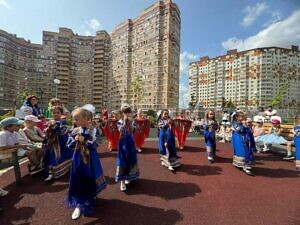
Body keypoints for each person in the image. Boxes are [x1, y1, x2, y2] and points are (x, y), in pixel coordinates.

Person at [66, 107, 106, 220]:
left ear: (87, 119)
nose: (74, 121)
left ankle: (91, 195)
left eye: (76, 119)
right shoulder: (74, 131)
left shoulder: (93, 130)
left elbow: (97, 143)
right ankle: (79, 203)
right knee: (78, 177)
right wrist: (75, 141)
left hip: (91, 159)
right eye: (74, 119)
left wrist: (85, 141)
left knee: (91, 176)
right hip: (78, 158)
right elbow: (69, 144)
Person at [43, 106, 73, 181]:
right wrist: (48, 129)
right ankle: (51, 173)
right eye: (54, 113)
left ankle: (65, 170)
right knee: (50, 157)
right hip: (52, 143)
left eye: (58, 112)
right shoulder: (49, 122)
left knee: (62, 155)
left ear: (61, 113)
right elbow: (46, 133)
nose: (55, 114)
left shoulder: (63, 122)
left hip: (62, 142)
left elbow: (63, 132)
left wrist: (55, 127)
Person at [115, 103, 139, 191]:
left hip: (131, 143)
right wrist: (125, 123)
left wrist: (131, 124)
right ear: (122, 113)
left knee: (131, 159)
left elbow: (135, 130)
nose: (127, 114)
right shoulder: (119, 122)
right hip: (123, 143)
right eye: (125, 112)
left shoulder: (133, 121)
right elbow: (120, 130)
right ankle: (122, 180)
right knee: (122, 160)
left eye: (128, 112)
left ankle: (128, 176)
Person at [0, 117, 25, 199]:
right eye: (16, 125)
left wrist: (22, 146)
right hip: (5, 154)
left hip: (13, 151)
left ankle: (36, 167)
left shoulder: (14, 133)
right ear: (8, 126)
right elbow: (2, 148)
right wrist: (18, 146)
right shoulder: (3, 134)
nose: (19, 126)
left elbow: (17, 143)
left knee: (32, 151)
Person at [231, 111, 255, 176]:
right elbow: (239, 130)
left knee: (247, 151)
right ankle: (244, 166)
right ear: (237, 117)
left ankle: (246, 166)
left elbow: (248, 131)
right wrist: (245, 126)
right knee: (242, 152)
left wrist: (249, 129)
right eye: (241, 116)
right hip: (239, 140)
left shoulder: (243, 123)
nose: (243, 117)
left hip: (245, 140)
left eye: (243, 116)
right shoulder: (234, 124)